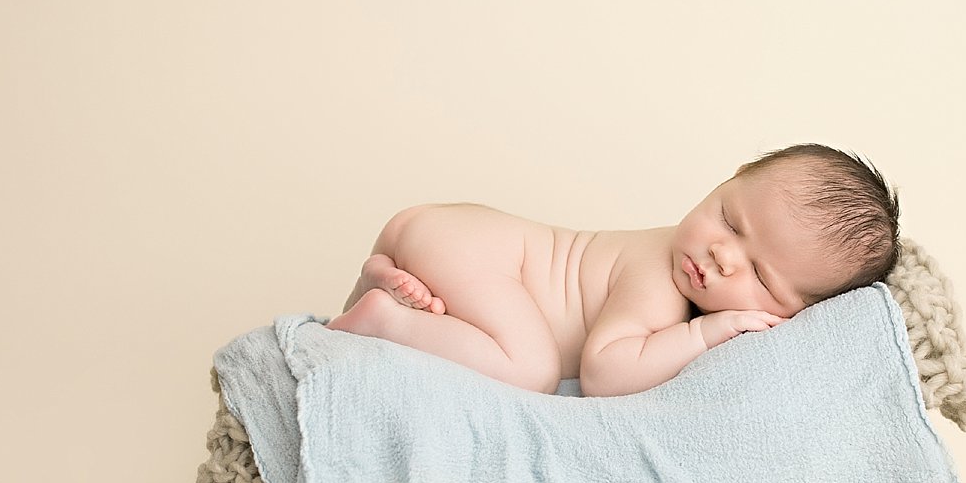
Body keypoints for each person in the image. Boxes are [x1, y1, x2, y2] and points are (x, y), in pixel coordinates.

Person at [326, 143, 900, 397]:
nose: (722, 256)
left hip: (444, 234)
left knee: (507, 343)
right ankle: (386, 321)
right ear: (733, 175)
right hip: (476, 251)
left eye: (761, 276)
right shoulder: (660, 277)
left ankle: (379, 285)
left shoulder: (681, 263)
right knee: (530, 369)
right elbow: (603, 371)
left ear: (796, 313)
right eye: (728, 218)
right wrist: (706, 331)